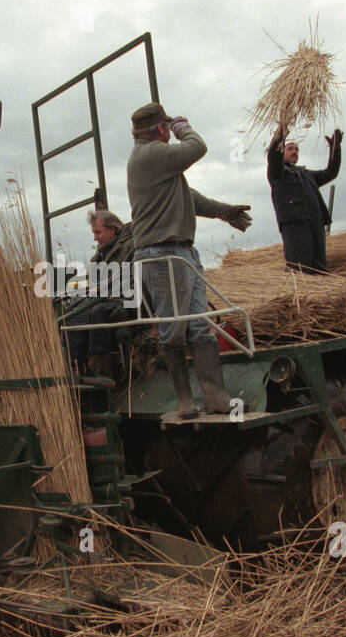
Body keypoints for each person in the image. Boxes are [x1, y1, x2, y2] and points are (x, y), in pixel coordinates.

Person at [126, 102, 251, 419]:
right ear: (160, 129)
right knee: (174, 329)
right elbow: (198, 146)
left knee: (199, 326)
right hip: (162, 253)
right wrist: (183, 126)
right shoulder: (149, 155)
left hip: (180, 253)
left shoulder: (159, 166)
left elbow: (189, 197)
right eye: (167, 128)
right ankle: (185, 401)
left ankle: (216, 398)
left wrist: (224, 211)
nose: (170, 133)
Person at [65, 209, 134, 379]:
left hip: (125, 299)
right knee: (71, 312)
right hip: (104, 297)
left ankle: (102, 367)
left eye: (98, 232)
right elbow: (94, 281)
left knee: (97, 312)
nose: (95, 237)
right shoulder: (99, 254)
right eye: (94, 233)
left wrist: (105, 290)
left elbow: (133, 278)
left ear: (113, 229)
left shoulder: (130, 247)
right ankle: (76, 366)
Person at [267, 126, 343, 273]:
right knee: (299, 267)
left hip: (316, 223)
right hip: (295, 225)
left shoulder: (306, 174)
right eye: (289, 149)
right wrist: (281, 133)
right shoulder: (277, 174)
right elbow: (273, 156)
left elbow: (331, 173)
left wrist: (335, 149)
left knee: (320, 268)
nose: (294, 151)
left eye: (296, 149)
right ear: (281, 151)